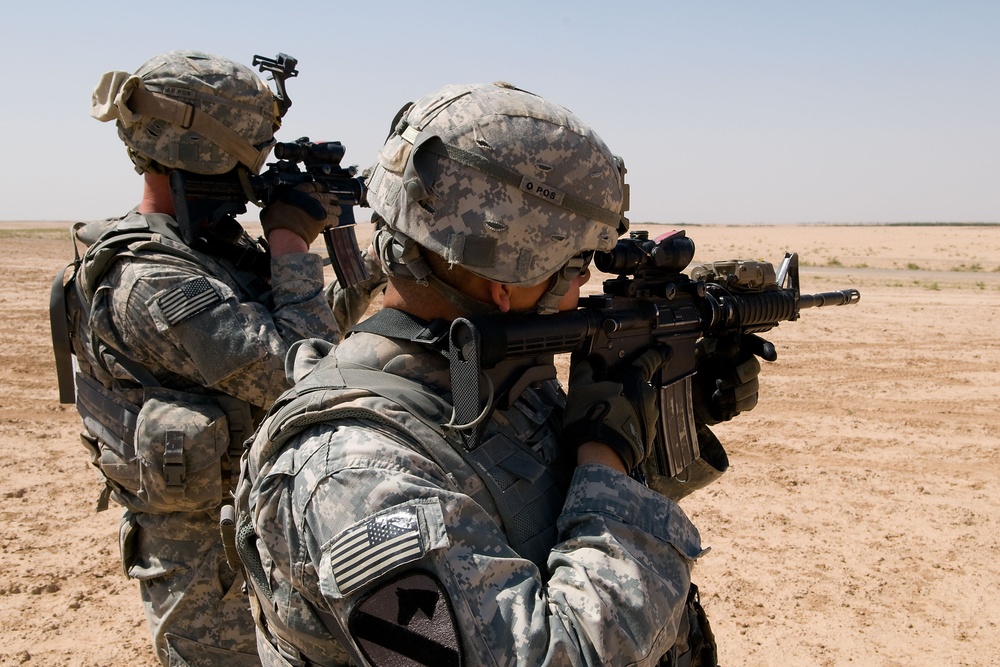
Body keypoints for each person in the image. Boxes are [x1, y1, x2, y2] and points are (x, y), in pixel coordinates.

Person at [234, 82, 760, 666]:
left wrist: (668, 408)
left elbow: (550, 513)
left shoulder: (478, 377)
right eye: (579, 263)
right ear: (506, 281)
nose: (584, 284)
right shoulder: (354, 475)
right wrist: (606, 452)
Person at [49, 51, 381, 666]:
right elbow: (299, 374)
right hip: (206, 558)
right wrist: (288, 244)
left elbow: (291, 324)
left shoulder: (205, 250)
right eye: (253, 147)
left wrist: (377, 262)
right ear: (206, 151)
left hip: (248, 522)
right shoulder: (152, 280)